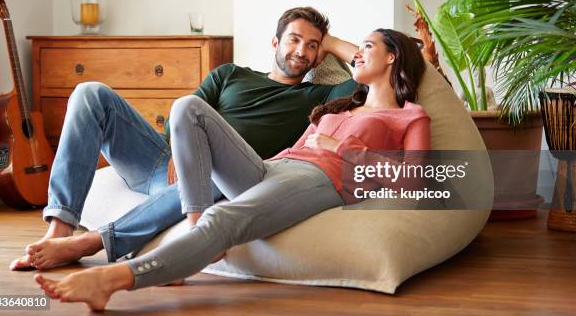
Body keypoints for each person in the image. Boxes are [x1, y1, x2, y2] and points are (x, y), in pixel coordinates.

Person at [34, 28, 431, 311]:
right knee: (185, 107)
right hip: (272, 167)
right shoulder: (341, 106)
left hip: (321, 177)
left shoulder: (410, 116)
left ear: (392, 56)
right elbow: (292, 149)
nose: (357, 53)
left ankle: (112, 280)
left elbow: (416, 179)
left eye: (367, 47)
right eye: (357, 47)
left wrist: (344, 149)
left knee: (224, 218)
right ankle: (193, 224)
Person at [11, 7, 359, 271]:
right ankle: (59, 228)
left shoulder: (319, 96)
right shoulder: (230, 74)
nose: (301, 50)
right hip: (164, 163)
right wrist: (181, 150)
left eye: (312, 46)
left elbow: (369, 71)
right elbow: (185, 114)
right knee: (90, 93)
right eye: (294, 39)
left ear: (319, 55)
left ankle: (93, 242)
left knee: (212, 172)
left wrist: (329, 41)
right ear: (275, 41)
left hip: (218, 177)